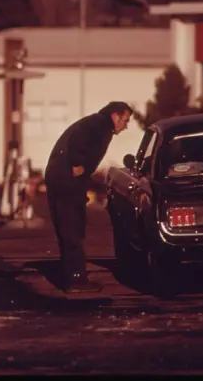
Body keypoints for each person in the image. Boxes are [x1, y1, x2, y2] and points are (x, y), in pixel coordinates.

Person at [44, 101, 133, 293]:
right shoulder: (99, 125)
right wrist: (77, 164)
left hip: (61, 179)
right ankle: (75, 280)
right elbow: (78, 140)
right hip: (66, 181)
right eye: (125, 120)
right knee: (72, 228)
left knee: (69, 228)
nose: (125, 126)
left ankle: (72, 275)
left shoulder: (96, 123)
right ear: (115, 116)